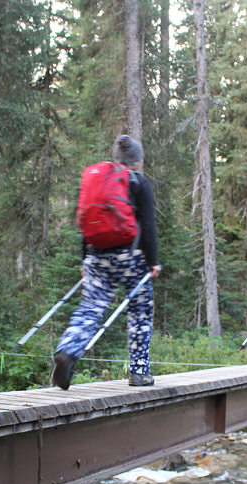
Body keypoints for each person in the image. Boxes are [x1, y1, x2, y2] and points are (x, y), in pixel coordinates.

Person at [52, 135, 163, 390]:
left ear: (117, 157)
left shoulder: (98, 180)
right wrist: (153, 260)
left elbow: (85, 221)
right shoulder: (138, 183)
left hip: (96, 253)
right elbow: (147, 225)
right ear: (137, 159)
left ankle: (68, 350)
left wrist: (85, 258)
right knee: (140, 311)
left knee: (90, 306)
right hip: (130, 256)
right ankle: (139, 372)